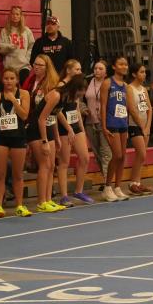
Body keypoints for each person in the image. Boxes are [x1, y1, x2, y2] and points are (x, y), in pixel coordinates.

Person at [0, 69, 32, 218]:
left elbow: (24, 115)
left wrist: (13, 100)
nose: (8, 81)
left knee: (18, 174)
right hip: (1, 138)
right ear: (2, 80)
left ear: (17, 80)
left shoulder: (24, 94)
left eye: (12, 78)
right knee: (0, 174)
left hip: (18, 137)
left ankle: (19, 205)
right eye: (6, 78)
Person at [27, 55, 67, 213]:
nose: (36, 67)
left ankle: (48, 199)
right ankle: (41, 201)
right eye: (35, 64)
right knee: (44, 165)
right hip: (35, 126)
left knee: (50, 165)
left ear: (47, 67)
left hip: (48, 126)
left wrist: (56, 136)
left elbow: (54, 112)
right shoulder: (29, 82)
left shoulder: (51, 86)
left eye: (40, 65)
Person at [56, 60, 93, 205]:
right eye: (77, 69)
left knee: (85, 158)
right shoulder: (60, 86)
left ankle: (78, 191)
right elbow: (57, 110)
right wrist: (68, 128)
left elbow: (76, 107)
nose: (80, 72)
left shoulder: (77, 85)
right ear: (68, 70)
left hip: (75, 125)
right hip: (63, 127)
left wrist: (81, 129)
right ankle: (64, 196)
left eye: (80, 69)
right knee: (64, 162)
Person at [100, 56, 131, 201]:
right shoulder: (108, 83)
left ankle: (117, 187)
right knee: (117, 155)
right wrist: (104, 126)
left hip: (122, 123)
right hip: (111, 123)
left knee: (123, 156)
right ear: (114, 67)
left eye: (126, 64)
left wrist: (127, 123)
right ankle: (107, 187)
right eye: (121, 64)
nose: (124, 67)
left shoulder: (125, 86)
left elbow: (126, 107)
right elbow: (103, 106)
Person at [83, 60, 112, 185]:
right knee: (97, 153)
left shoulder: (109, 83)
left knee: (106, 152)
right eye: (95, 68)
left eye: (100, 69)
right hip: (90, 122)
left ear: (106, 72)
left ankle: (107, 183)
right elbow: (80, 99)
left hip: (105, 122)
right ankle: (106, 178)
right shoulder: (87, 82)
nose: (97, 71)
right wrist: (83, 109)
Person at [126, 63, 153, 196]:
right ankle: (132, 183)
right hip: (134, 125)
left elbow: (149, 109)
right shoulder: (129, 88)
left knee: (142, 156)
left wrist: (147, 126)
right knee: (141, 153)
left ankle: (137, 182)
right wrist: (142, 127)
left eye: (144, 72)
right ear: (134, 74)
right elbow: (132, 109)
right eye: (141, 72)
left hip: (145, 126)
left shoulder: (143, 89)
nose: (144, 74)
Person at [0, 5, 36, 84]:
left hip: (23, 65)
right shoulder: (5, 31)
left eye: (17, 14)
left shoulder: (27, 30)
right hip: (10, 66)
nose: (15, 16)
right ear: (10, 15)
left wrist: (26, 59)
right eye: (13, 14)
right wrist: (10, 47)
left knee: (24, 85)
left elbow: (32, 46)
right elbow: (1, 50)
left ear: (21, 16)